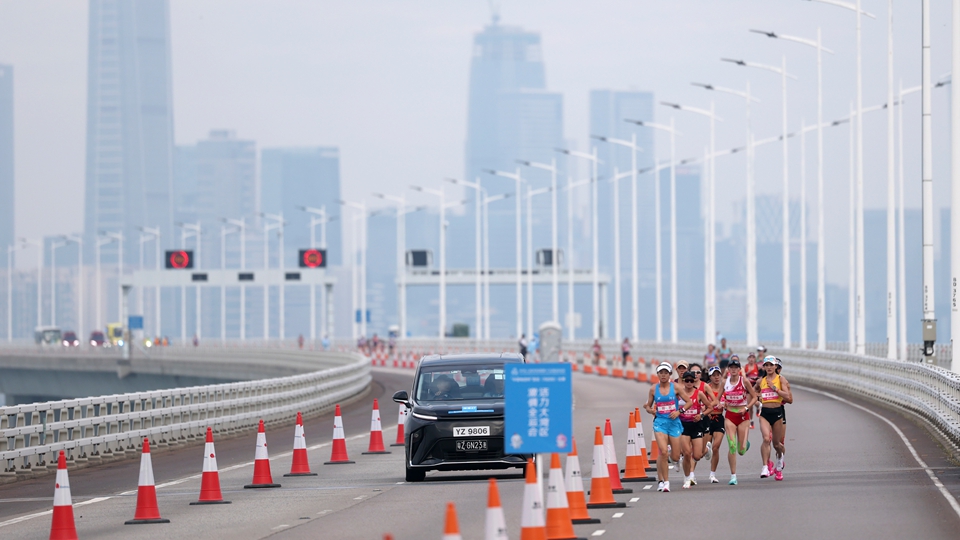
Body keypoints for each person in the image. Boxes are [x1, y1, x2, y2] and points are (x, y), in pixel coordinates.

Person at [644, 362, 683, 493]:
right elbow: (648, 406)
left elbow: (688, 402)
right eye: (661, 373)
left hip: (674, 423)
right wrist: (651, 410)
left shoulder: (676, 387)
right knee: (663, 452)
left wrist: (678, 412)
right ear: (658, 374)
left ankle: (676, 460)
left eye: (666, 372)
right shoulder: (653, 389)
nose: (663, 375)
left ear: (670, 374)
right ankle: (664, 482)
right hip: (660, 423)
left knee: (675, 456)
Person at [722, 358, 758, 485]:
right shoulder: (724, 382)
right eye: (731, 367)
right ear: (728, 369)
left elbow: (754, 397)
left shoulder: (745, 381)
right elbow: (717, 399)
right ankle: (733, 476)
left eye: (735, 367)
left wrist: (747, 407)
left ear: (739, 369)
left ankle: (745, 444)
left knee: (741, 451)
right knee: (732, 446)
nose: (733, 370)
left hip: (743, 417)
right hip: (730, 416)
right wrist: (721, 403)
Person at [757, 355, 792, 480]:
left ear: (775, 366)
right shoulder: (761, 381)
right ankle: (765, 466)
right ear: (764, 367)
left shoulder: (780, 379)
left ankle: (779, 461)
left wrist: (775, 388)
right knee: (766, 439)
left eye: (771, 365)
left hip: (777, 412)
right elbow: (754, 392)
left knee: (777, 444)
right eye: (767, 365)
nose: (769, 367)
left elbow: (787, 396)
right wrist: (758, 398)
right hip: (765, 413)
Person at [677, 370, 711, 489]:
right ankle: (687, 477)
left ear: (694, 381)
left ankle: (706, 449)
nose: (689, 383)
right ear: (684, 381)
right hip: (683, 426)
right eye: (687, 380)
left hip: (696, 425)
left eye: (692, 380)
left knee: (697, 456)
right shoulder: (679, 394)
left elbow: (710, 407)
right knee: (686, 453)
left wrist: (701, 415)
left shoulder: (699, 393)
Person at [703, 366, 726, 483]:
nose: (717, 377)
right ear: (710, 377)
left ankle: (712, 474)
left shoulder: (724, 388)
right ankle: (691, 475)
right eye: (714, 375)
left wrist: (725, 405)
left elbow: (730, 401)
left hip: (719, 419)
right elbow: (700, 402)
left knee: (716, 447)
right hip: (707, 419)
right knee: (702, 449)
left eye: (718, 375)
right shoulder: (707, 388)